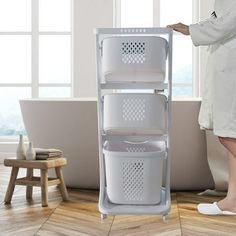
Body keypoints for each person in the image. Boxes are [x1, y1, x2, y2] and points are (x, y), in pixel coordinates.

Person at [168, 0, 236, 215]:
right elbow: (221, 18)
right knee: (231, 135)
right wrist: (192, 28)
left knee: (227, 134)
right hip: (226, 63)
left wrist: (191, 30)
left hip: (231, 67)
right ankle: (233, 201)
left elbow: (229, 22)